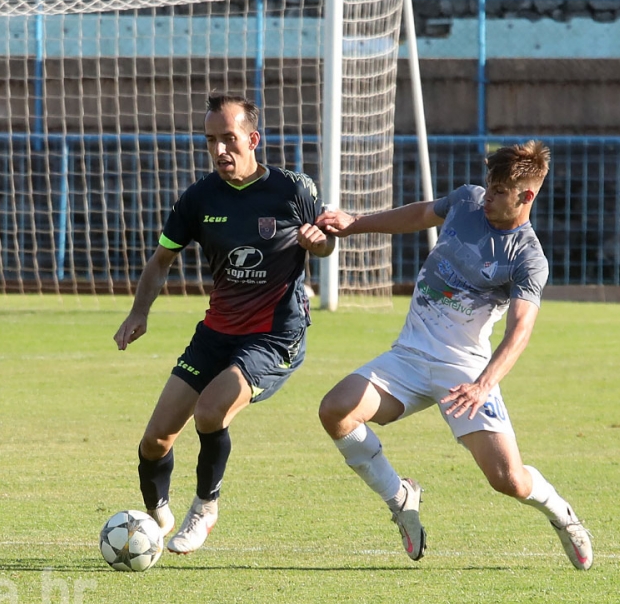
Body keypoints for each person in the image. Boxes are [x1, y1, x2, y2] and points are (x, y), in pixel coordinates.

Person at [316, 140, 593, 570]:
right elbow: (418, 214)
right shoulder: (468, 201)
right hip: (408, 356)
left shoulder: (527, 257)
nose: (489, 196)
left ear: (527, 196)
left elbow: (520, 331)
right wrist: (355, 224)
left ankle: (562, 514)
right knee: (335, 411)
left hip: (464, 373)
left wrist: (484, 385)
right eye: (489, 184)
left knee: (509, 480)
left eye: (500, 191)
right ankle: (400, 496)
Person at [114, 93, 335, 554]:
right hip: (217, 333)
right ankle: (157, 517)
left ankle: (204, 510)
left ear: (252, 139)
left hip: (275, 336)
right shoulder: (198, 198)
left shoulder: (294, 190)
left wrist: (320, 245)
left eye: (228, 139)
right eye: (210, 140)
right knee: (154, 442)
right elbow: (161, 261)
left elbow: (325, 244)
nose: (219, 151)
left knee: (211, 411)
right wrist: (139, 312)